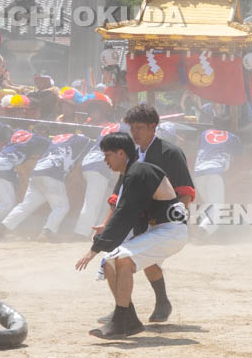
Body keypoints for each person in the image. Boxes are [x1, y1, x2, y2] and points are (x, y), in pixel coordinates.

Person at [75, 132, 188, 338]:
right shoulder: (131, 174)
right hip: (158, 231)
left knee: (121, 259)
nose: (105, 160)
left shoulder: (139, 172)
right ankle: (129, 318)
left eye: (108, 155)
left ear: (121, 153)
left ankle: (121, 321)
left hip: (170, 230)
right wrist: (107, 233)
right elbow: (126, 213)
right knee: (109, 261)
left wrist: (94, 249)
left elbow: (125, 214)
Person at [99, 104, 196, 324]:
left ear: (153, 127)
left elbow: (185, 191)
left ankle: (160, 302)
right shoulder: (131, 156)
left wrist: (176, 222)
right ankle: (123, 310)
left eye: (140, 127)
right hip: (134, 218)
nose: (135, 133)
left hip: (163, 220)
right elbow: (119, 194)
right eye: (132, 128)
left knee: (142, 260)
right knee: (117, 261)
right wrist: (107, 223)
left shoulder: (170, 152)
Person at [0, 131, 93, 241]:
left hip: (37, 173)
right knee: (61, 207)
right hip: (52, 174)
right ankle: (48, 232)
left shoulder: (56, 140)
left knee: (26, 205)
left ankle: (3, 227)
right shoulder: (82, 141)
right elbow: (92, 147)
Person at [74, 122, 127, 239]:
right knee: (92, 202)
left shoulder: (114, 126)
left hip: (94, 161)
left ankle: (99, 231)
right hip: (99, 163)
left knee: (106, 201)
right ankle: (80, 233)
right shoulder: (129, 128)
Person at [192, 127, 242, 237]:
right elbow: (239, 153)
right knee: (217, 211)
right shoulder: (233, 137)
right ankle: (201, 232)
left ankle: (199, 229)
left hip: (198, 172)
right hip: (215, 173)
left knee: (210, 207)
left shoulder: (204, 132)